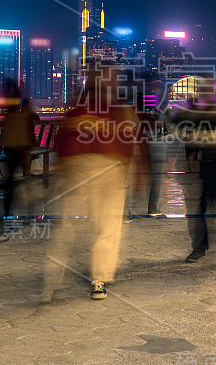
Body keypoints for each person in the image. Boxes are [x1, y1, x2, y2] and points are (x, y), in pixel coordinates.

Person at [43, 64, 145, 301]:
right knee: (105, 227)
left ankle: (52, 280)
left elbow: (63, 143)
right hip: (105, 171)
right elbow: (133, 141)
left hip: (90, 171)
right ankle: (96, 279)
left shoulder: (78, 111)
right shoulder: (118, 111)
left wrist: (63, 170)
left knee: (70, 226)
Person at [183, 82, 216, 262]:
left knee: (214, 202)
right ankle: (201, 244)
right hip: (204, 163)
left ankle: (215, 239)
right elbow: (191, 135)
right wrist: (191, 157)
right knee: (204, 205)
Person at [0, 79, 39, 240]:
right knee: (25, 180)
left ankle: (7, 220)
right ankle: (29, 213)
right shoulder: (24, 103)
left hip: (9, 147)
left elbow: (6, 127)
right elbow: (36, 118)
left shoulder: (7, 106)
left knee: (9, 184)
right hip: (23, 147)